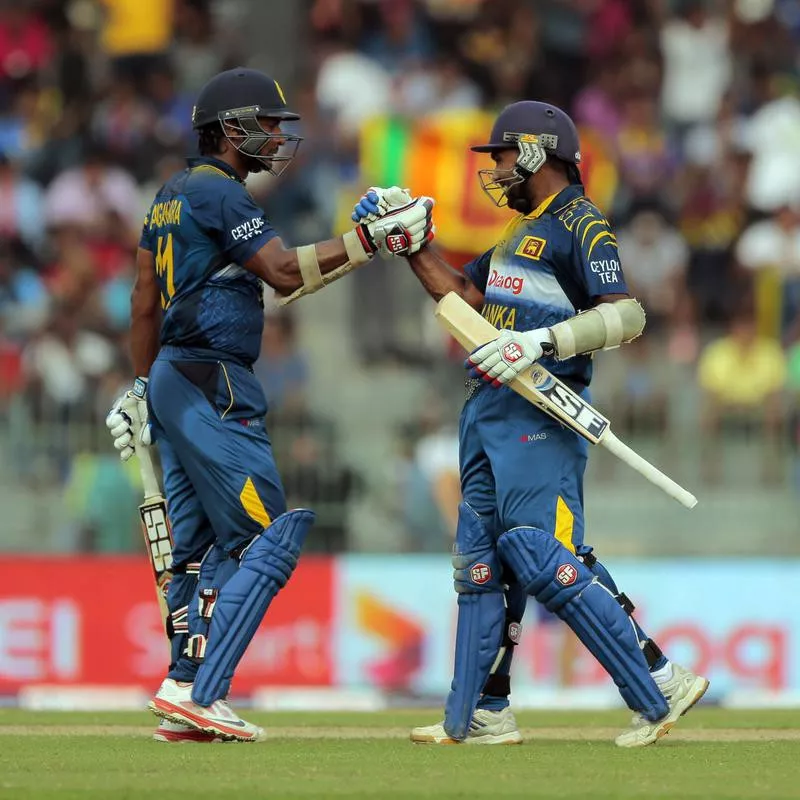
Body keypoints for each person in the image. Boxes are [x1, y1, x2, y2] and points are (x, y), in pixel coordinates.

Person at [353, 101, 708, 748]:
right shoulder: (520, 234)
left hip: (540, 410)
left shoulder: (583, 221)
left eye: (503, 156)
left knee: (542, 553)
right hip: (487, 408)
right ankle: (486, 710)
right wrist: (410, 245)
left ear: (540, 153)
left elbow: (626, 317)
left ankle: (656, 680)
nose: (495, 170)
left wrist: (539, 343)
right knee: (481, 565)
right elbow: (465, 299)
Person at [105, 67, 434, 743]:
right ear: (231, 130)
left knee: (198, 556)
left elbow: (144, 300)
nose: (279, 136)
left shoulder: (169, 195)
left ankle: (180, 682)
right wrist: (371, 240)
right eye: (267, 123)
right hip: (213, 381)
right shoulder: (221, 194)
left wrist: (143, 387)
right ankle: (207, 692)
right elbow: (284, 274)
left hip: (173, 377)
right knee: (267, 541)